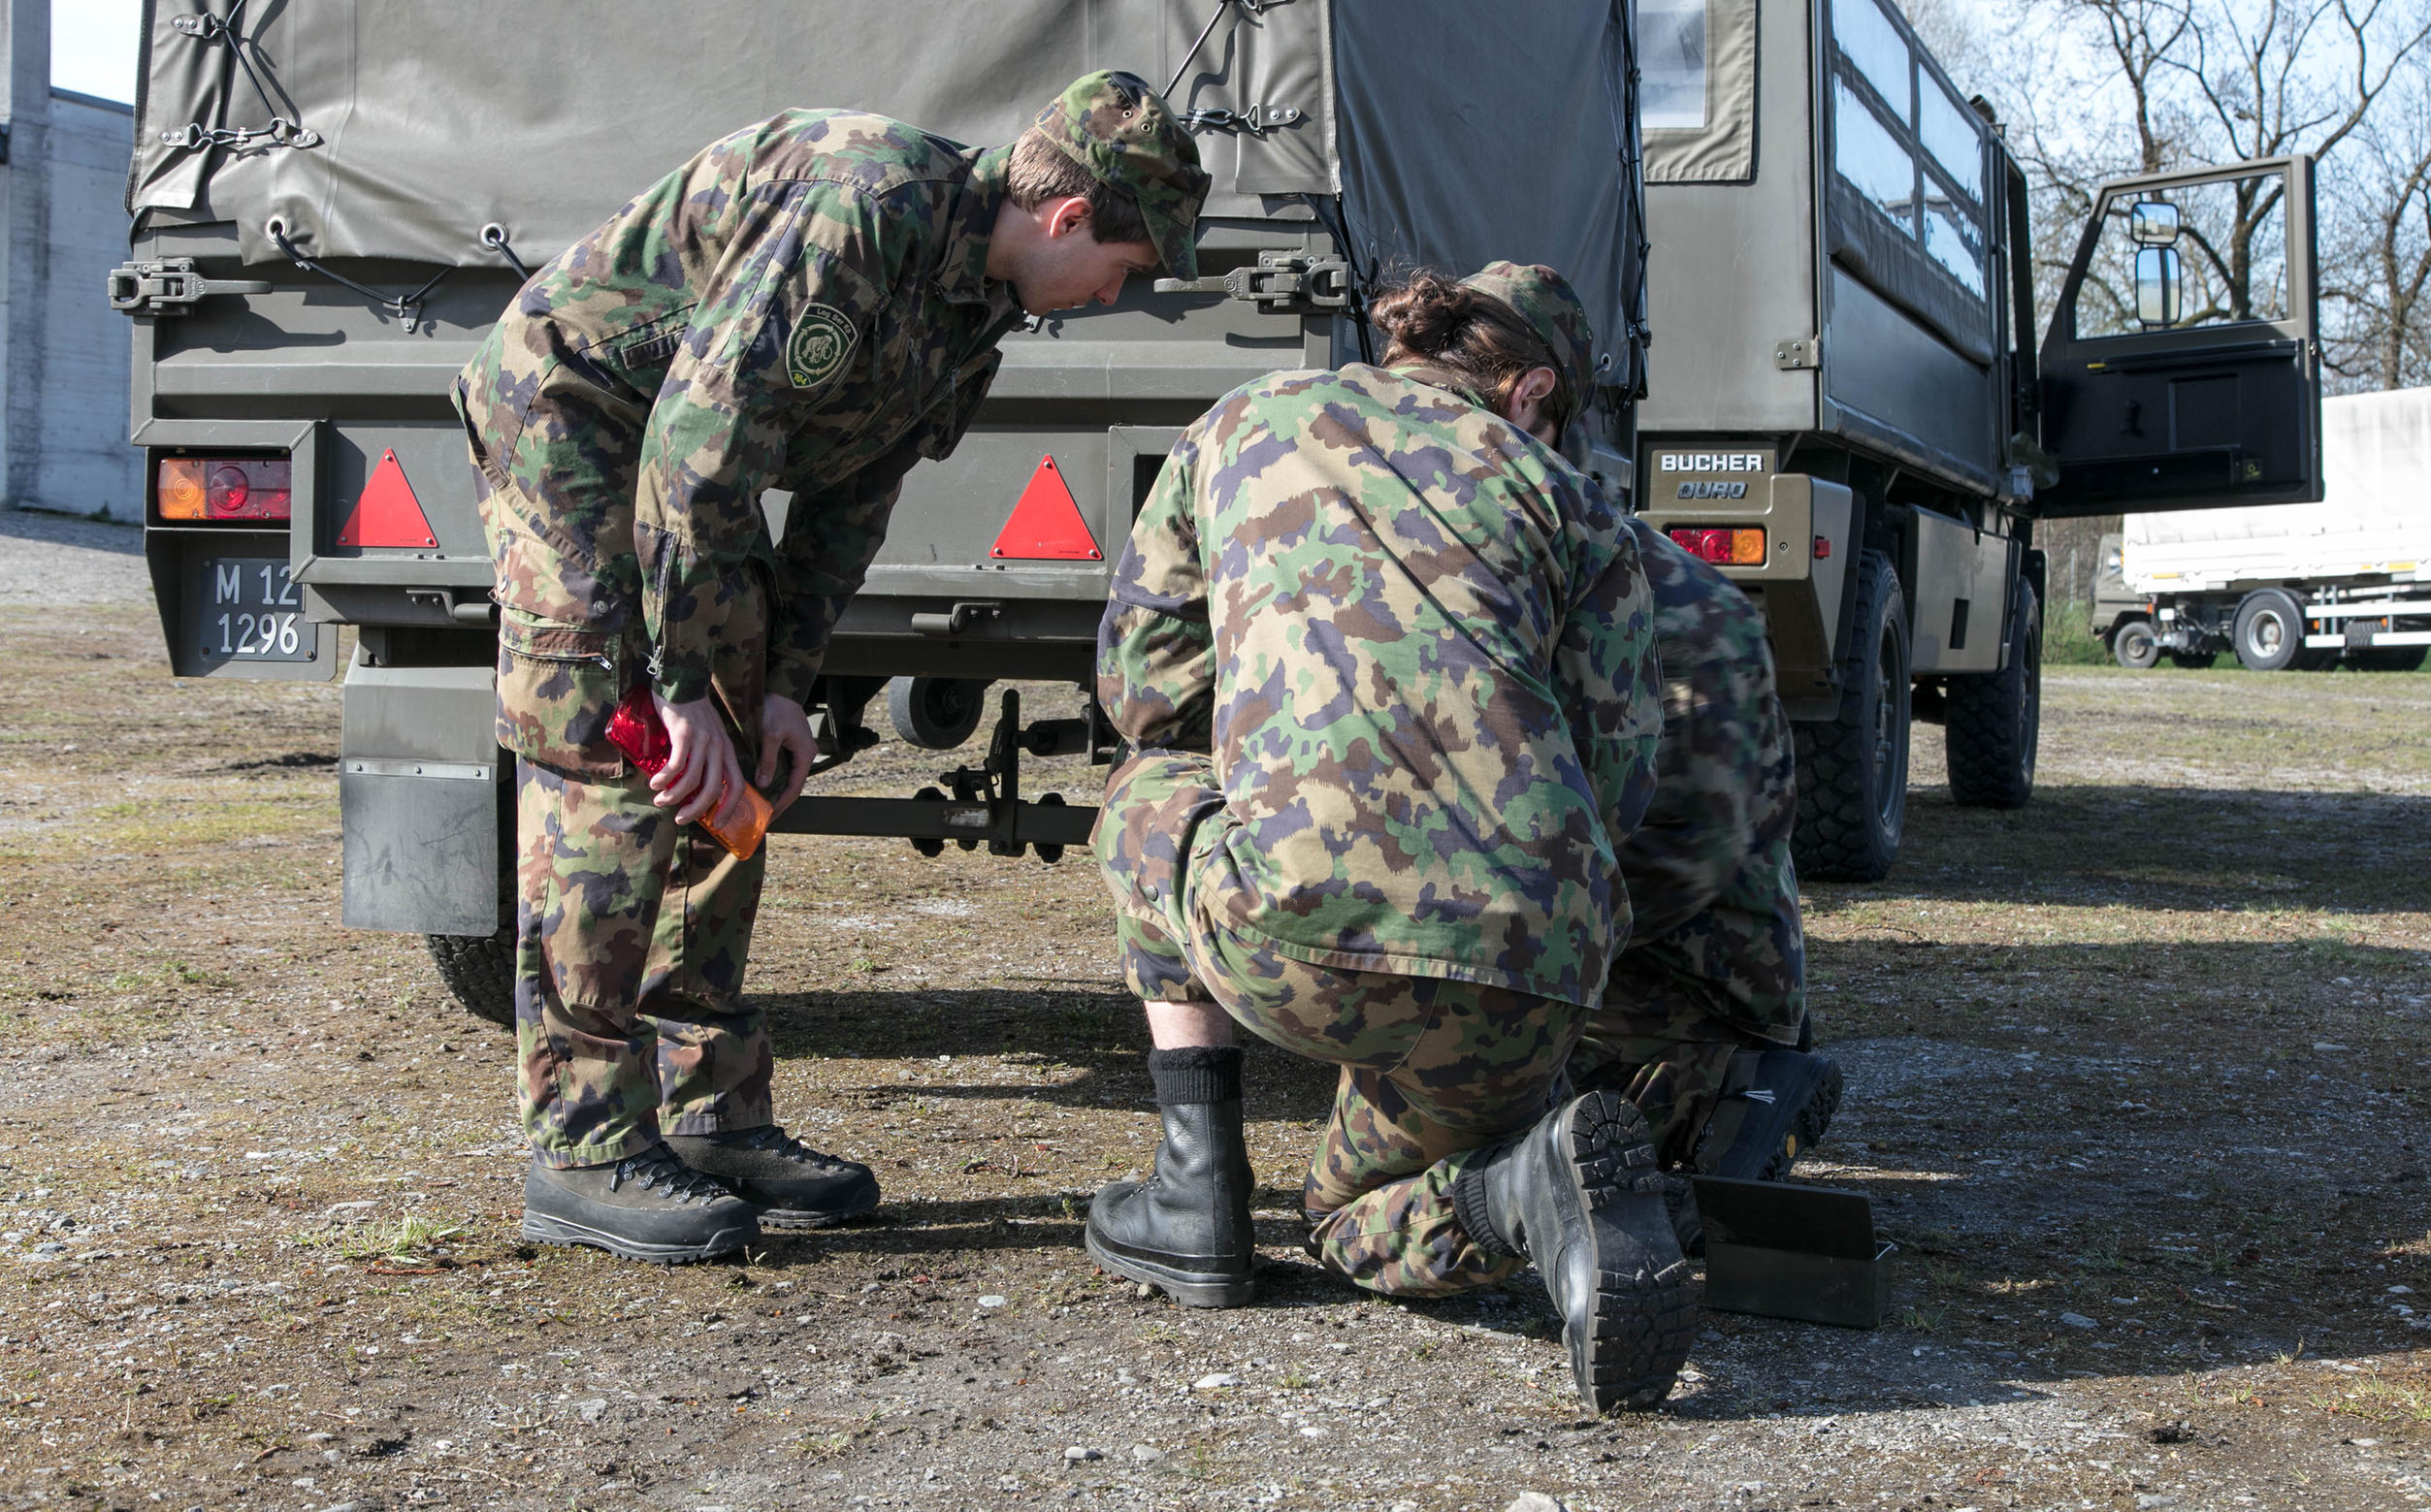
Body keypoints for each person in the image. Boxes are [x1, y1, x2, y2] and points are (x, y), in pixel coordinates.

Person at [458, 71, 1210, 1265]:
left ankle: (709, 1111)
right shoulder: (858, 205)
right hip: (577, 415)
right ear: (1069, 218)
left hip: (684, 463)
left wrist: (772, 690)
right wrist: (680, 688)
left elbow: (850, 501)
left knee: (739, 772)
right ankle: (584, 1139)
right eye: (1121, 268)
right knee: (615, 750)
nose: (1114, 294)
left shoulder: (979, 306)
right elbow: (695, 457)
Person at [1083, 263, 1695, 1414]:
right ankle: (1520, 1190)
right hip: (1531, 964)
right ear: (1531, 391)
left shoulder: (1240, 423)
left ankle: (1196, 1188)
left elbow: (1144, 687)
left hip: (1292, 938)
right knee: (1358, 1220)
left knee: (1146, 784)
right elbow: (1619, 771)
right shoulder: (1572, 502)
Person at [1569, 523, 1841, 1248]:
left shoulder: (1684, 607)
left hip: (1697, 969)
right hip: (1610, 938)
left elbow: (1687, 856)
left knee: (1537, 1134)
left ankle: (1734, 1085)